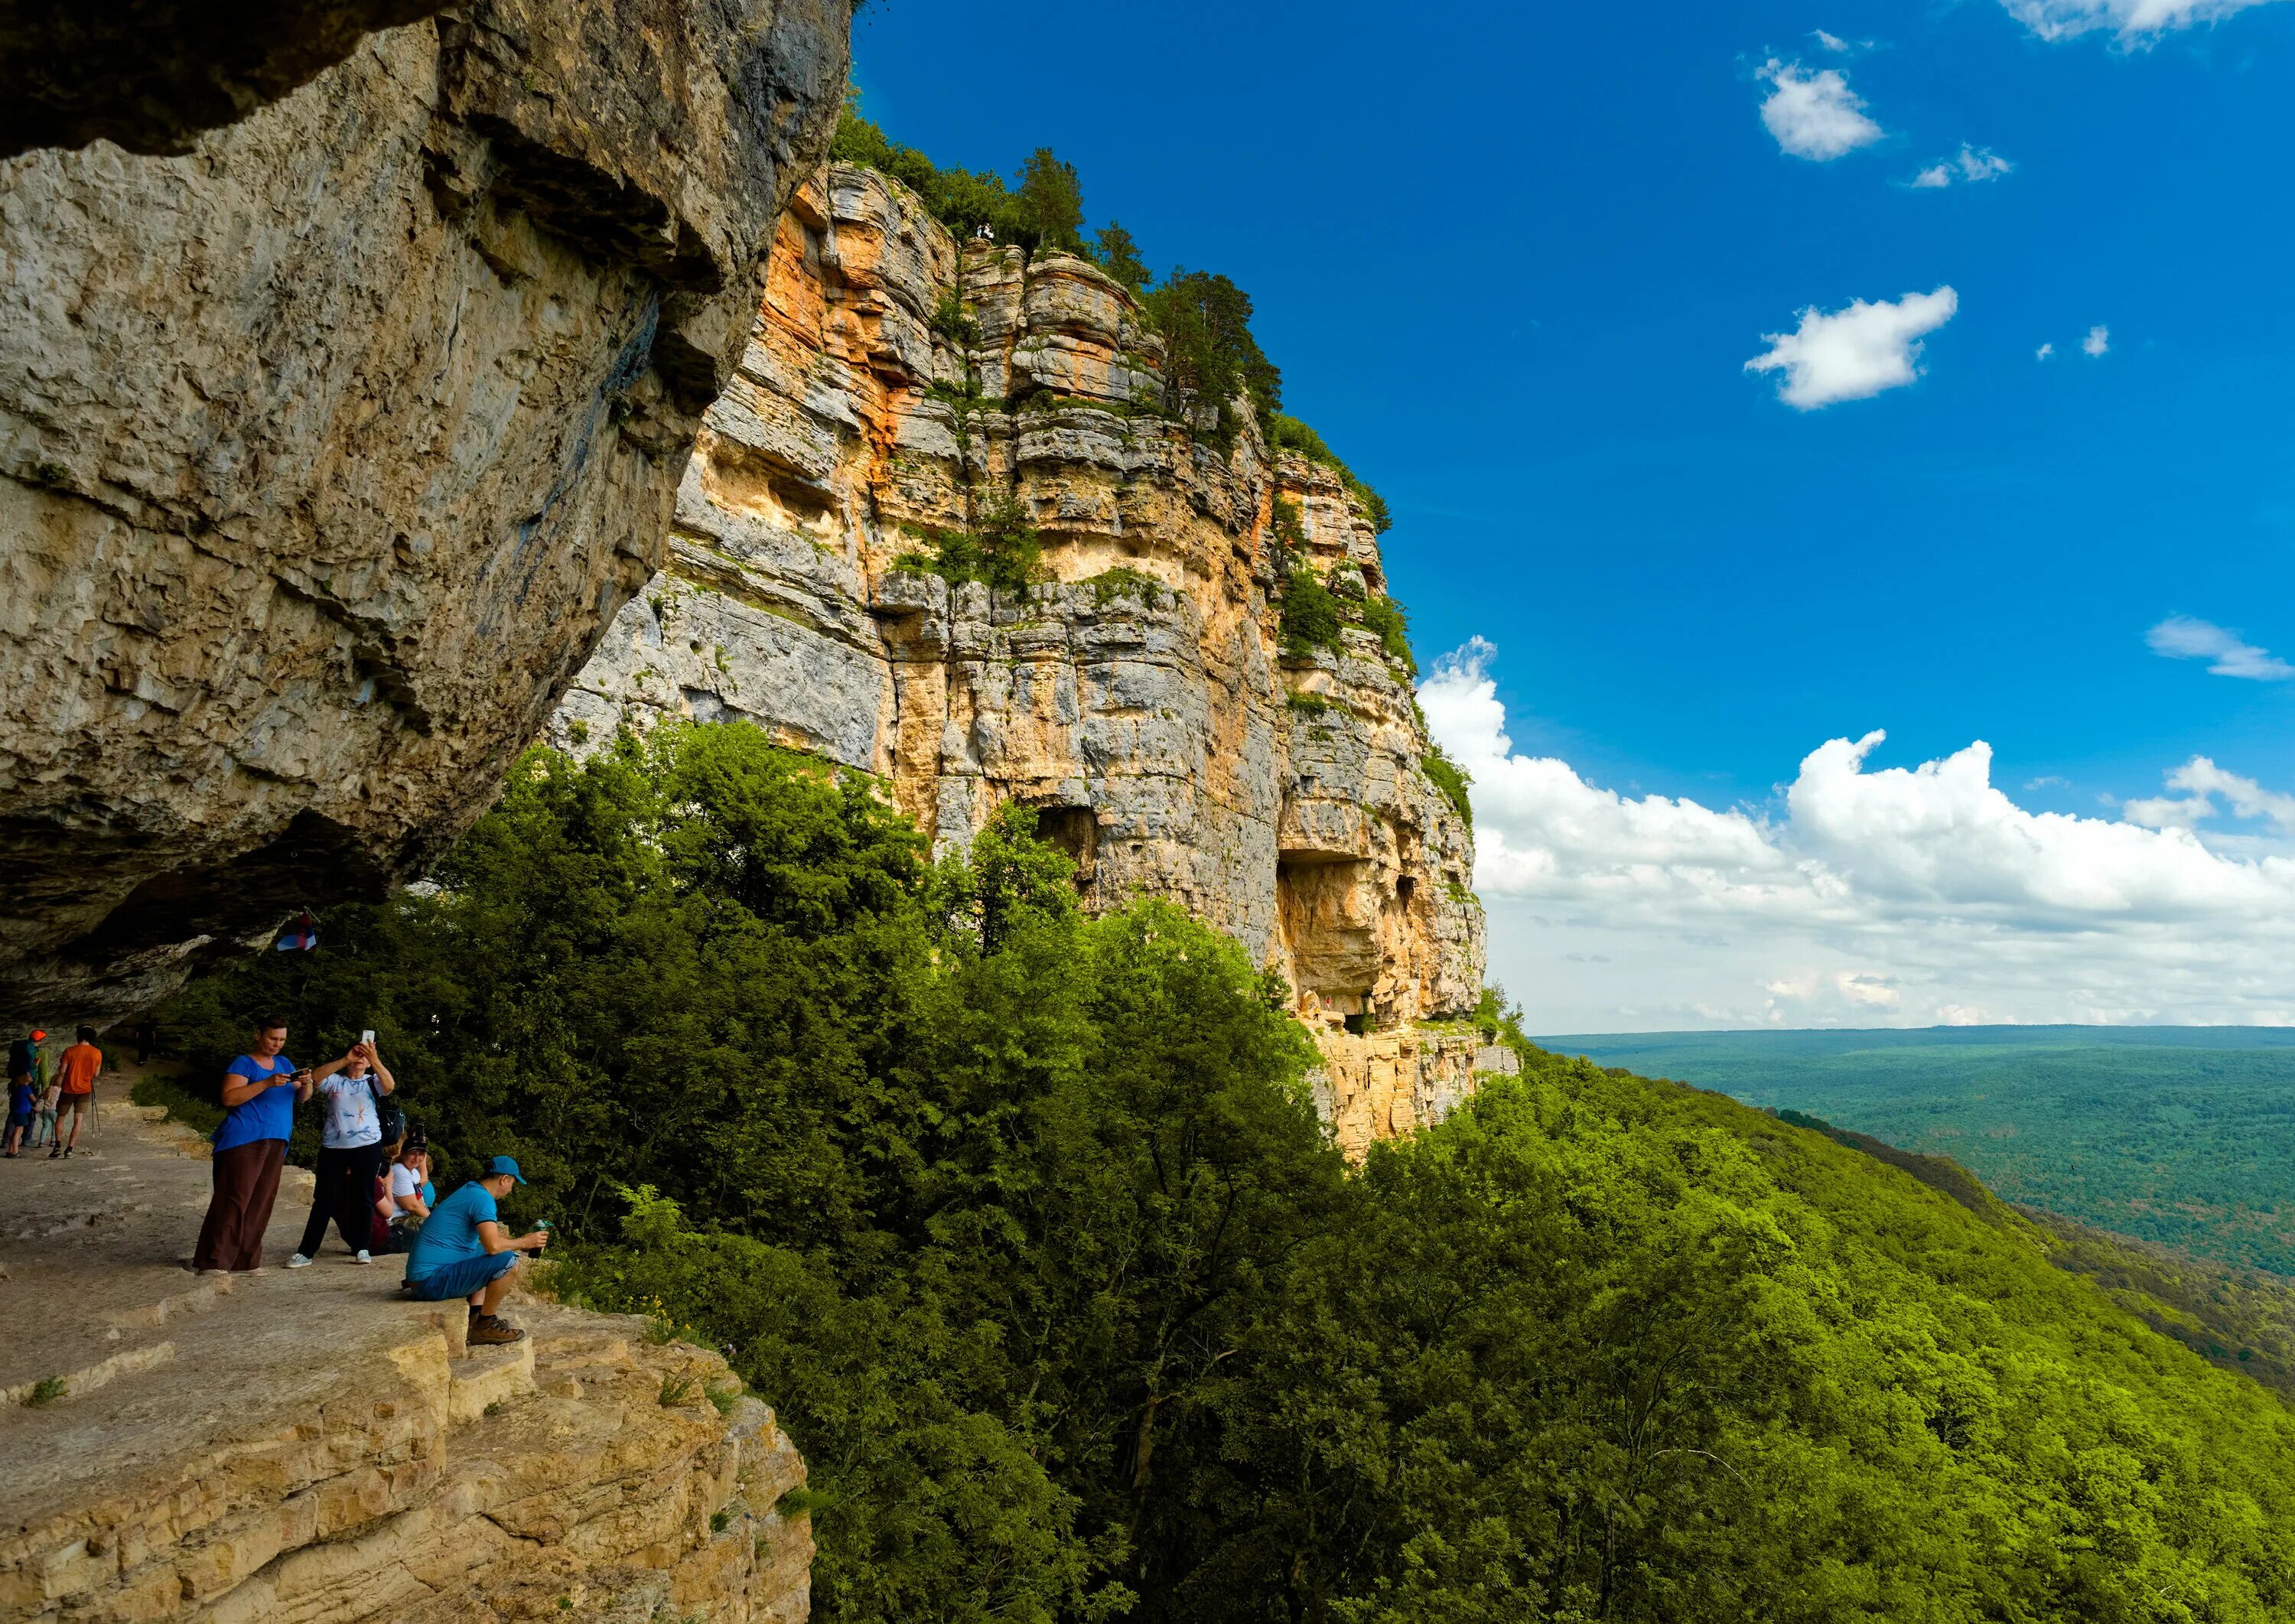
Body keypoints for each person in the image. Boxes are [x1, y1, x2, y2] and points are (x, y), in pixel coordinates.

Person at [191, 1018, 313, 1274]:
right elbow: (229, 1097)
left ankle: (244, 1261)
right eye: (272, 1038)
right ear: (258, 1035)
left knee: (261, 1201)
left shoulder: (285, 1063)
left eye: (281, 1040)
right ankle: (213, 1261)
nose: (277, 1044)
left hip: (277, 1139)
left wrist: (308, 1082)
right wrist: (267, 1083)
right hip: (243, 1139)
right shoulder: (244, 1063)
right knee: (234, 1199)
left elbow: (302, 1097)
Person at [399, 1155, 548, 1346]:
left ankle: (475, 1314)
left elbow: (490, 1244)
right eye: (512, 1183)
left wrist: (525, 1243)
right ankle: (485, 1325)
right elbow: (493, 1246)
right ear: (504, 1179)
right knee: (509, 1261)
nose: (511, 1190)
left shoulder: (471, 1190)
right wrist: (525, 1242)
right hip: (430, 1281)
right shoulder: (483, 1199)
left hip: (424, 1277)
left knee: (490, 1254)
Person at [287, 1038, 395, 1267]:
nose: (359, 1059)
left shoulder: (371, 1082)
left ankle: (362, 1248)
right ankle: (306, 1251)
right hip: (333, 1147)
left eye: (363, 1057)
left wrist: (373, 1058)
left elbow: (389, 1086)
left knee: (364, 1197)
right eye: (357, 1054)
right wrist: (346, 1059)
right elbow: (316, 1078)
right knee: (324, 1199)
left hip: (368, 1145)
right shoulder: (335, 1081)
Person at [49, 1025, 102, 1160]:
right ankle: (70, 1149)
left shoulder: (69, 1051)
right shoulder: (97, 1053)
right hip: (85, 1090)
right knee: (78, 1119)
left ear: (79, 1035)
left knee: (60, 1116)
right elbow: (96, 1074)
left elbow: (62, 1071)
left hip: (68, 1089)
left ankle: (58, 1146)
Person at [5, 1029, 37, 1158]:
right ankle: (14, 1151)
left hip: (16, 1108)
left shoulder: (17, 1084)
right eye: (28, 1074)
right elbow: (33, 1099)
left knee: (16, 1130)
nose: (30, 1075)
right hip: (22, 1111)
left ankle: (10, 1149)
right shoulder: (26, 1087)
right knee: (18, 1130)